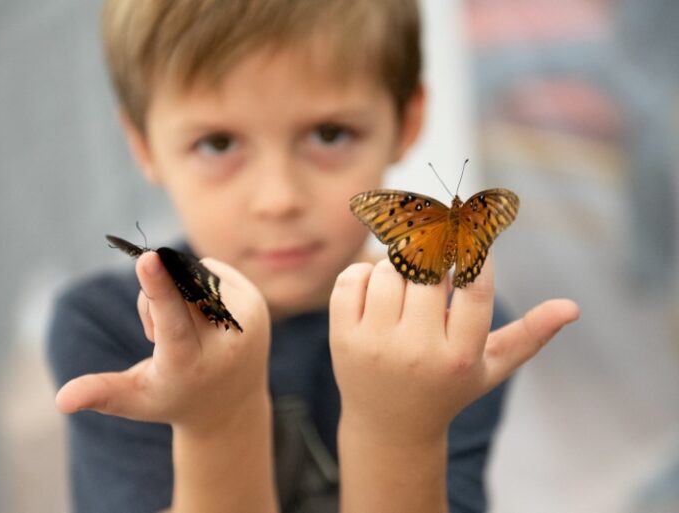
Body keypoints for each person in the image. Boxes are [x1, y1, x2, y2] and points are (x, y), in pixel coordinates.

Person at [47, 1, 580, 512]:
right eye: (217, 144)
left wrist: (400, 433)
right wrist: (216, 423)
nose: (279, 199)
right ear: (143, 146)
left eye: (329, 134)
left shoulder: (451, 334)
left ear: (406, 121)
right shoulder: (107, 325)